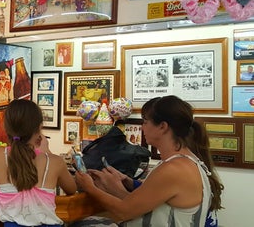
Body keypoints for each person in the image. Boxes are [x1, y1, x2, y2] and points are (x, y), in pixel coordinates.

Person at [75, 95, 224, 226]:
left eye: (145, 122)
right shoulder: (184, 160)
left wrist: (90, 187)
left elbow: (123, 212)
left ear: (163, 127)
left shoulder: (174, 169)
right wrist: (127, 181)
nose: (143, 127)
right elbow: (148, 205)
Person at [0, 99, 77, 227]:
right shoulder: (54, 162)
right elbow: (72, 189)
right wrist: (47, 152)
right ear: (40, 128)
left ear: (6, 127)